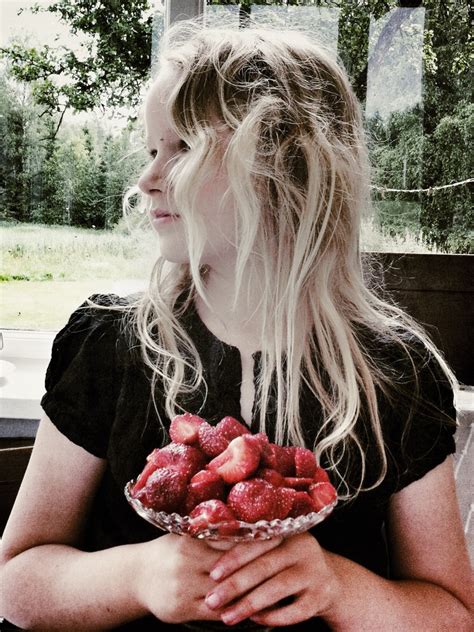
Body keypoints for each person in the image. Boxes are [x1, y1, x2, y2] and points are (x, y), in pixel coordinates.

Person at [0, 20, 472, 632]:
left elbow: (453, 613)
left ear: (286, 167)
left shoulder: (396, 376)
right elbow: (16, 580)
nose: (147, 179)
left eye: (184, 148)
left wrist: (338, 587)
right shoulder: (110, 345)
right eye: (151, 151)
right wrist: (136, 576)